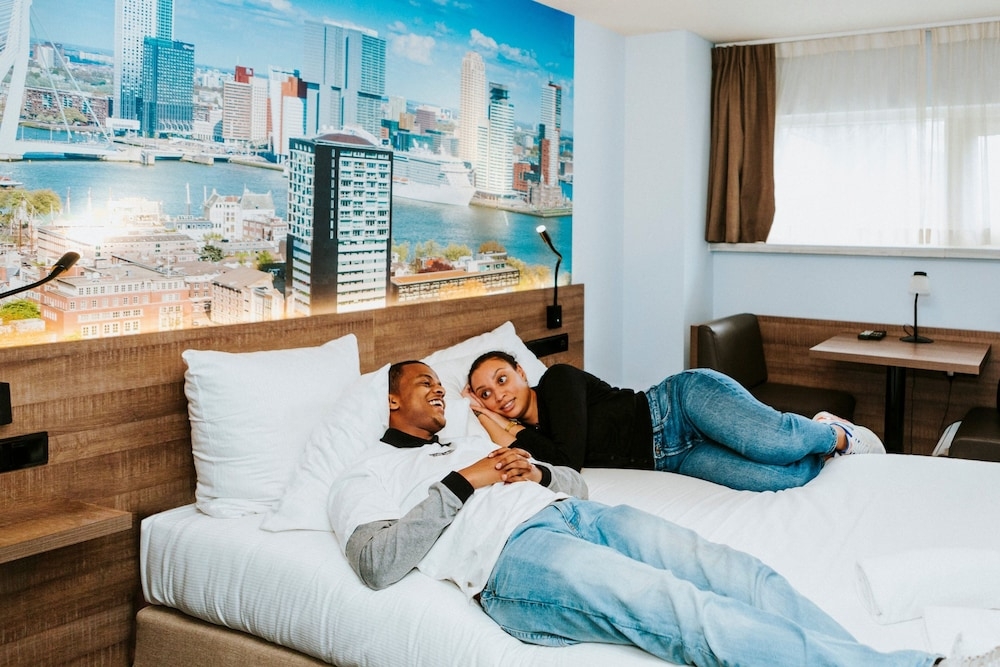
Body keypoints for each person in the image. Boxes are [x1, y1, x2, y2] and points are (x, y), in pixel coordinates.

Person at [327, 360, 978, 666]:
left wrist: (539, 472)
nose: (441, 389)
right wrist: (465, 482)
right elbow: (375, 563)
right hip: (514, 557)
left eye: (445, 382)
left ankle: (866, 656)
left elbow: (576, 481)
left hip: (578, 511)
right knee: (685, 608)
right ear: (390, 403)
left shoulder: (487, 432)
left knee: (738, 573)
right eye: (424, 382)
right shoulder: (367, 472)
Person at [465, 352, 886, 492]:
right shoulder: (537, 439)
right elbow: (557, 464)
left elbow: (567, 461)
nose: (498, 395)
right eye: (485, 395)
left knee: (775, 443)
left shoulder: (557, 381)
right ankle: (821, 447)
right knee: (785, 479)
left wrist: (507, 430)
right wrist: (497, 426)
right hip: (673, 458)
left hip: (680, 405)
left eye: (501, 379)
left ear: (522, 371)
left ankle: (836, 433)